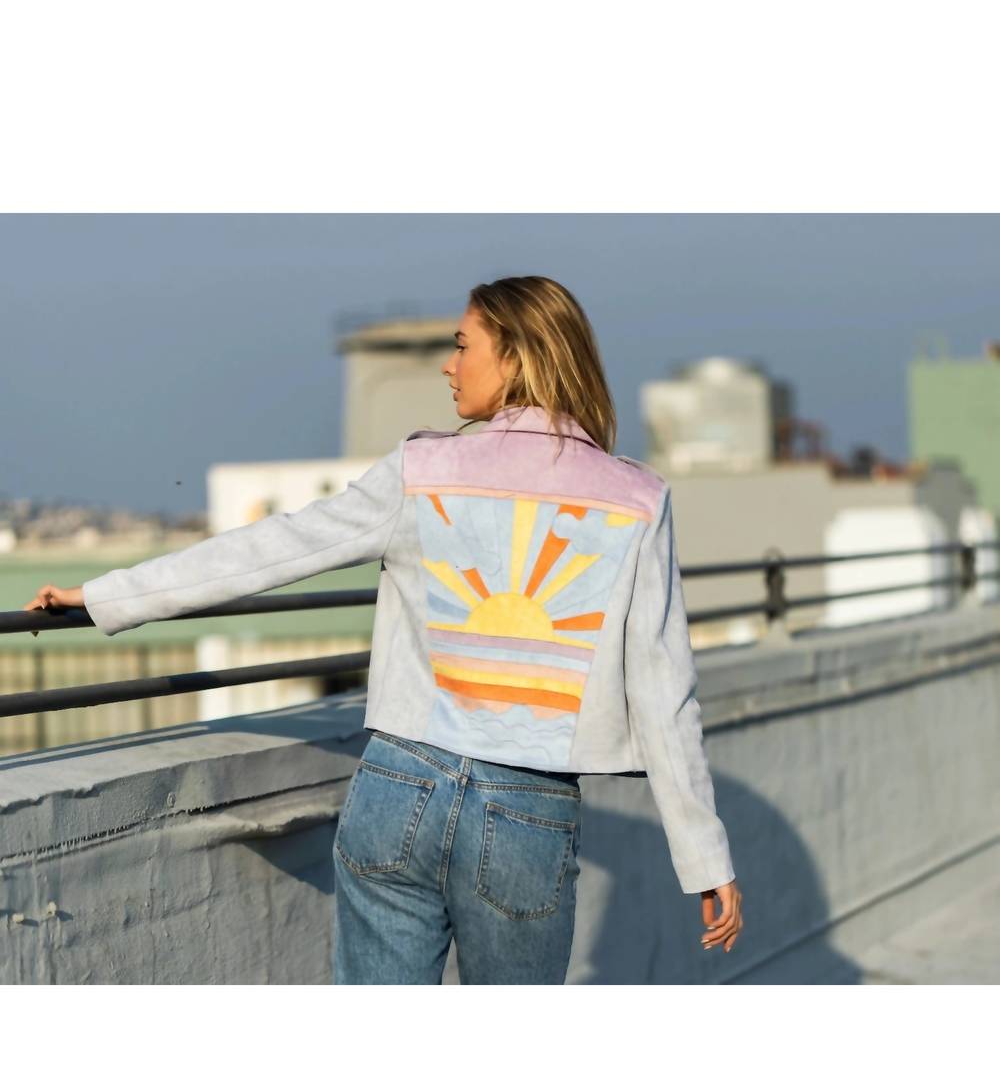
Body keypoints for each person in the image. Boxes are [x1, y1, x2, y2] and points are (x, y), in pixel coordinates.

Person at [25, 274, 743, 983]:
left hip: (399, 786)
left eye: (463, 346)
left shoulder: (422, 470)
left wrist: (105, 597)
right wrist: (704, 859)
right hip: (526, 809)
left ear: (516, 356)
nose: (448, 365)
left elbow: (272, 549)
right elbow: (664, 692)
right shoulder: (637, 499)